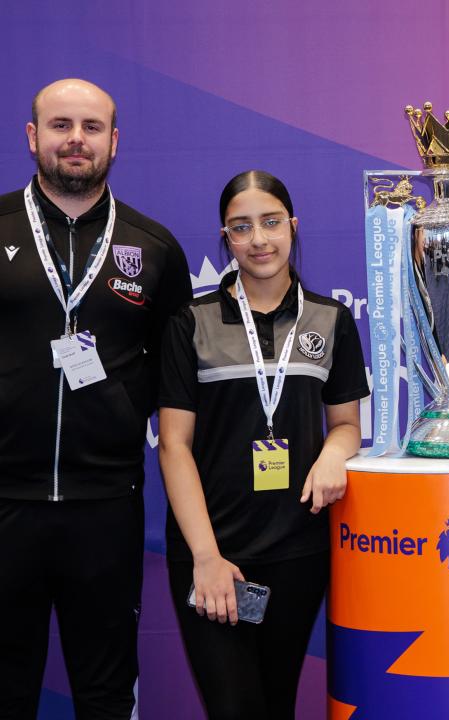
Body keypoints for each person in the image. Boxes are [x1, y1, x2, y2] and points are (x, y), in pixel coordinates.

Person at [0, 78, 191, 719]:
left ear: (115, 141)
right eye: (60, 126)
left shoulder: (155, 248)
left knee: (107, 694)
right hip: (4, 505)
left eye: (91, 127)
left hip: (106, 508)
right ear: (33, 138)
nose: (75, 140)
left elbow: (176, 391)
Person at [158, 170, 368, 718]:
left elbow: (346, 423)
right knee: (235, 707)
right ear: (225, 238)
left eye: (272, 223)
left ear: (293, 227)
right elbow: (173, 446)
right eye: (242, 227)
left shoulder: (331, 318)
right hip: (213, 552)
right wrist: (207, 557)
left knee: (275, 704)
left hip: (298, 549)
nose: (259, 240)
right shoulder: (191, 323)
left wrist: (331, 454)